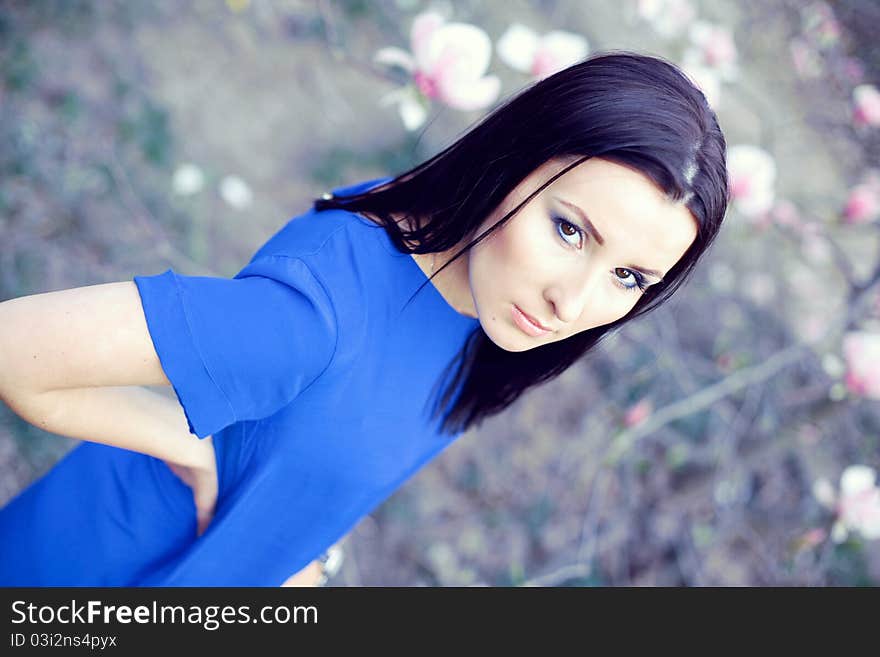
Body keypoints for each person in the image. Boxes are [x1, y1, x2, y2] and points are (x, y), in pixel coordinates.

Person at [0, 51, 729, 586]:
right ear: (513, 160)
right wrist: (184, 444)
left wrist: (307, 553)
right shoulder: (317, 318)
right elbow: (14, 348)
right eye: (570, 230)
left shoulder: (487, 307)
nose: (571, 304)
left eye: (629, 277)